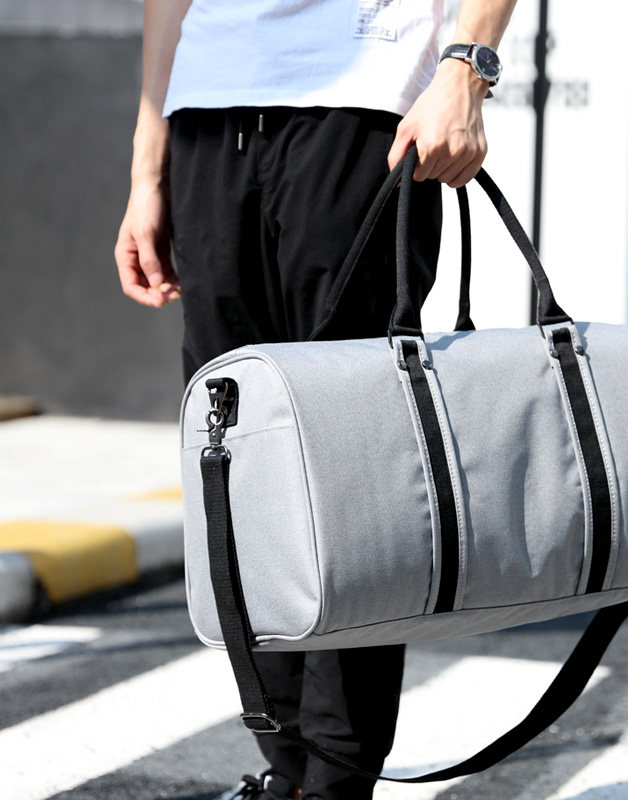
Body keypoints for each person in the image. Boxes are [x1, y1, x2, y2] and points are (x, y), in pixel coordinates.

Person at [114, 1, 517, 798]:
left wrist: (466, 71)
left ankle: (335, 783)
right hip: (207, 114)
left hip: (363, 110)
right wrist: (145, 169)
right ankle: (289, 771)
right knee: (239, 465)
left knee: (357, 468)